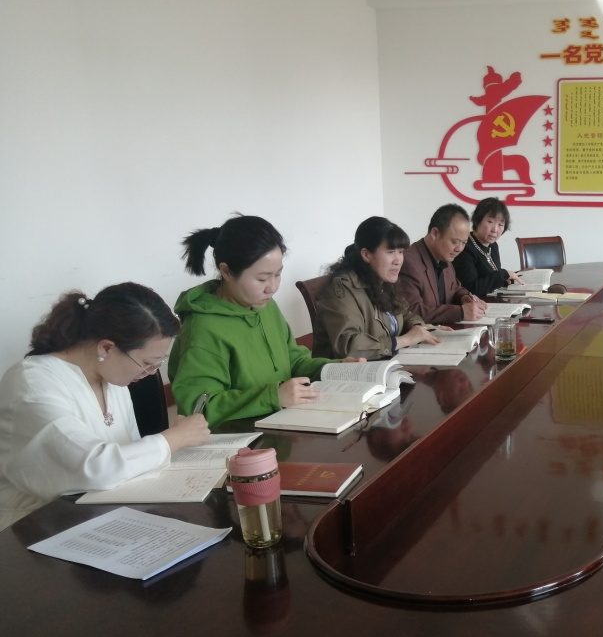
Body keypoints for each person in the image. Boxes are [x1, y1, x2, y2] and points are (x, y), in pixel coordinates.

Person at [0, 283, 211, 529]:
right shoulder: (32, 383)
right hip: (32, 525)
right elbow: (95, 468)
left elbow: (127, 459)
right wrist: (174, 438)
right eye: (147, 363)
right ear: (106, 348)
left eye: (158, 363)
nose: (151, 372)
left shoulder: (112, 378)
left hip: (100, 512)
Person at [169, 215, 356, 426]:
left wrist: (336, 368)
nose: (272, 287)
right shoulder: (203, 328)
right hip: (241, 438)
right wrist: (273, 396)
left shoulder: (265, 306)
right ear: (226, 271)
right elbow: (199, 409)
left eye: (278, 275)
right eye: (262, 278)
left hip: (283, 423)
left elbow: (294, 362)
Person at [313, 216, 445, 359]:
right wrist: (404, 340)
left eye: (400, 251)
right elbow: (349, 346)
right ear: (366, 255)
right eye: (390, 252)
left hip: (384, 363)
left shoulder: (383, 280)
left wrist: (421, 329)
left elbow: (404, 313)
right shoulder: (342, 289)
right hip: (351, 371)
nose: (398, 260)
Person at [397, 204, 488, 324]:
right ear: (435, 233)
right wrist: (460, 312)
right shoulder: (409, 262)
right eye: (455, 242)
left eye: (464, 243)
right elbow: (412, 311)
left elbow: (455, 287)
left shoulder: (444, 256)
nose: (459, 249)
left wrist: (465, 298)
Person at [452, 197, 522, 299]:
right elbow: (471, 289)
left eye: (500, 224)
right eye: (490, 222)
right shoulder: (465, 248)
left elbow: (492, 276)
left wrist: (506, 279)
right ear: (478, 220)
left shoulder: (493, 246)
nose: (495, 230)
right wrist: (503, 274)